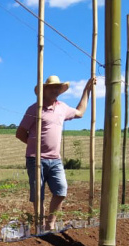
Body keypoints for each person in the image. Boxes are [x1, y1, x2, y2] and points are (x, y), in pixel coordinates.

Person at [16, 76, 95, 230]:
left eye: (57, 88)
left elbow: (80, 112)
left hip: (55, 160)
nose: (55, 90)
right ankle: (39, 225)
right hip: (35, 159)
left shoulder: (62, 107)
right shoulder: (34, 109)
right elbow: (20, 133)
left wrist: (87, 90)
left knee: (61, 191)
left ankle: (50, 224)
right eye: (51, 87)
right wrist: (35, 146)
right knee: (38, 195)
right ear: (44, 90)